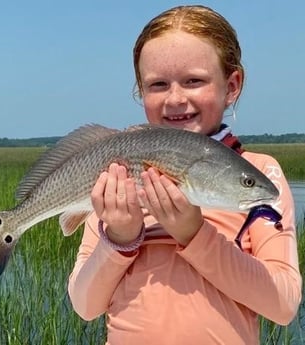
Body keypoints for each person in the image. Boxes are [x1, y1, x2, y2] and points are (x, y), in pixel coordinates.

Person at [68, 5, 302, 344]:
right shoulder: (118, 173)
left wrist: (194, 233)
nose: (175, 99)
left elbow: (283, 305)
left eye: (194, 81)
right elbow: (84, 305)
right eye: (158, 84)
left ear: (232, 84)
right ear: (140, 90)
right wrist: (119, 237)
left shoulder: (260, 173)